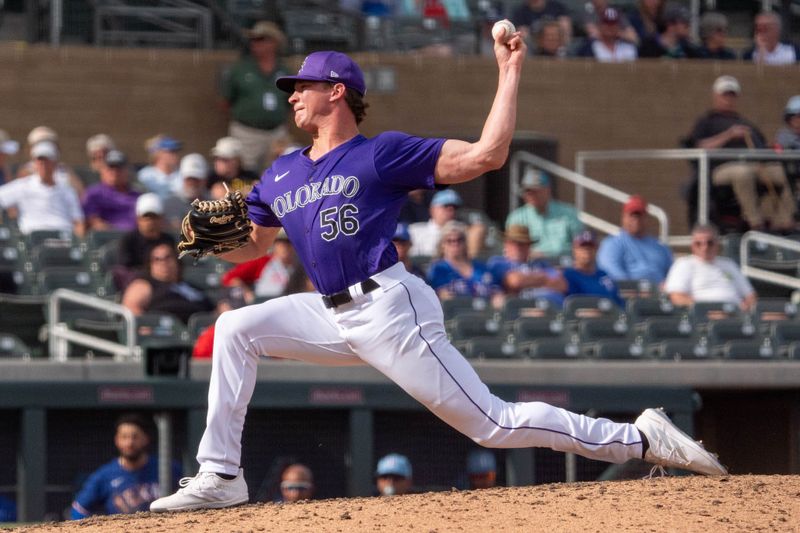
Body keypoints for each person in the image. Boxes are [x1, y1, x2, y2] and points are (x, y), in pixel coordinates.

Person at [150, 42, 726, 513]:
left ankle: (642, 437)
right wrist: (206, 243)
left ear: (337, 91)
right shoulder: (280, 172)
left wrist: (509, 70)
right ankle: (221, 474)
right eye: (291, 88)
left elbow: (486, 156)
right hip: (327, 311)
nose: (292, 94)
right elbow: (252, 243)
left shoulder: (382, 154)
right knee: (235, 329)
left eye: (301, 85)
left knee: (493, 425)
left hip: (390, 309)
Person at [682, 75, 795, 232]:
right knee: (743, 172)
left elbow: (762, 147)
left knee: (786, 172)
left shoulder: (746, 123)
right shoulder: (707, 121)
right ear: (715, 96)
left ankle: (784, 221)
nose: (728, 99)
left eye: (732, 95)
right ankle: (755, 223)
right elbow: (698, 146)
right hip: (719, 170)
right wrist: (728, 135)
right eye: (725, 95)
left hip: (756, 165)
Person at [70, 413, 181, 519]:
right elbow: (78, 510)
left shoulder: (168, 468)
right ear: (117, 440)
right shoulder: (104, 475)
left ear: (146, 439)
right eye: (124, 437)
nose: (129, 443)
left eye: (135, 437)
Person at [222, 21, 291, 173]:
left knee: (279, 173)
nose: (254, 43)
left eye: (260, 39)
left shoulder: (284, 71)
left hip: (276, 132)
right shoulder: (240, 69)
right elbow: (225, 100)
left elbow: (290, 102)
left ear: (274, 42)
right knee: (244, 174)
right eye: (253, 39)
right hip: (246, 132)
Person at [0, 141, 85, 237]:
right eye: (40, 160)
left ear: (55, 163)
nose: (43, 164)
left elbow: (78, 221)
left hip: (64, 239)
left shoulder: (67, 190)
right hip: (33, 241)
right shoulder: (23, 186)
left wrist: (79, 244)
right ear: (34, 163)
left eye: (47, 160)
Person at [664, 224, 756, 311]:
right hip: (703, 318)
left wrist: (747, 307)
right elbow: (676, 297)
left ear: (717, 244)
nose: (705, 247)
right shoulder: (683, 264)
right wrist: (706, 310)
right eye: (698, 243)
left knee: (769, 316)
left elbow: (750, 295)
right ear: (692, 246)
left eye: (710, 243)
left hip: (737, 314)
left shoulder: (729, 264)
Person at [122, 242, 216, 324]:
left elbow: (213, 309)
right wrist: (146, 326)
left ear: (177, 261)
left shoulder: (191, 287)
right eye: (157, 259)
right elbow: (131, 308)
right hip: (165, 338)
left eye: (168, 257)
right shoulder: (144, 285)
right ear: (150, 265)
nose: (163, 263)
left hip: (201, 332)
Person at [505, 168, 583, 259]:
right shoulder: (517, 217)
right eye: (527, 191)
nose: (531, 195)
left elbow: (581, 246)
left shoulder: (569, 213)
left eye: (535, 191)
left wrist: (547, 255)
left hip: (564, 266)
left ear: (548, 190)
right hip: (529, 267)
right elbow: (509, 248)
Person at [596, 195, 672, 283]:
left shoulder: (660, 247)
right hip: (628, 294)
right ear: (623, 217)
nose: (636, 219)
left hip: (660, 294)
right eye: (632, 215)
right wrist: (637, 289)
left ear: (646, 218)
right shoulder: (612, 244)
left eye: (639, 215)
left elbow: (673, 275)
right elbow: (612, 274)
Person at [487, 224, 566, 307]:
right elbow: (515, 281)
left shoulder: (540, 263)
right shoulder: (498, 262)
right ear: (506, 244)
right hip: (523, 307)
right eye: (513, 243)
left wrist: (527, 280)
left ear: (529, 246)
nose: (517, 247)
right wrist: (544, 279)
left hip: (551, 306)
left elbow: (561, 284)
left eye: (522, 243)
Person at [427, 221, 503, 306]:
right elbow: (441, 294)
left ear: (465, 242)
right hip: (455, 314)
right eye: (449, 240)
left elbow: (496, 291)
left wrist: (497, 298)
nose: (455, 244)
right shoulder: (438, 268)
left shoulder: (481, 267)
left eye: (459, 240)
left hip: (485, 312)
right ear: (442, 245)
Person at [114, 193, 176, 291]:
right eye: (146, 218)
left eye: (154, 217)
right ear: (138, 219)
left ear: (162, 218)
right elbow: (125, 270)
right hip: (140, 286)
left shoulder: (168, 240)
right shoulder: (129, 240)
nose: (151, 222)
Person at [221, 228, 301, 302]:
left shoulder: (300, 264)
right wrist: (247, 292)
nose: (284, 247)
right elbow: (228, 278)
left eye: (288, 243)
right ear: (274, 244)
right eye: (280, 242)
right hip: (264, 302)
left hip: (290, 303)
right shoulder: (262, 261)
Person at [408, 189, 487, 258]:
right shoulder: (415, 231)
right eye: (446, 206)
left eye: (455, 207)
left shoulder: (465, 232)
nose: (451, 210)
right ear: (432, 209)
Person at [563, 230, 625, 307]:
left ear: (597, 249)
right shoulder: (568, 276)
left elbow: (619, 303)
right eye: (583, 247)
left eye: (591, 247)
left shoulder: (603, 275)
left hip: (610, 316)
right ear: (574, 249)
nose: (587, 251)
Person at [82, 150, 140, 232]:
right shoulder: (94, 193)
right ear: (102, 170)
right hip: (107, 239)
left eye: (119, 168)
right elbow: (93, 221)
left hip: (136, 239)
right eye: (110, 168)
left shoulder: (137, 196)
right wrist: (115, 233)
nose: (115, 172)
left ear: (127, 171)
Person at [163, 153, 210, 232]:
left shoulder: (214, 203)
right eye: (189, 179)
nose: (192, 183)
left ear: (204, 180)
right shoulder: (168, 204)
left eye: (196, 179)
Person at [638, 3, 703, 59]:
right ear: (670, 24)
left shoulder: (688, 49)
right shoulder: (649, 46)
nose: (688, 26)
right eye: (685, 22)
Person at [137, 135, 183, 200]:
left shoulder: (182, 175)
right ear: (159, 153)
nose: (175, 155)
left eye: (176, 151)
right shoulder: (145, 175)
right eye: (171, 151)